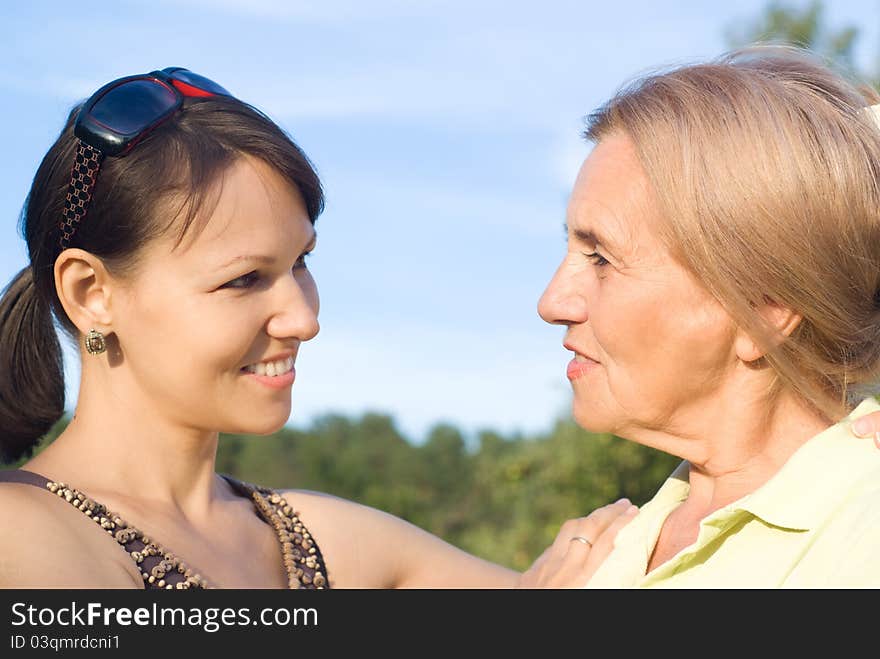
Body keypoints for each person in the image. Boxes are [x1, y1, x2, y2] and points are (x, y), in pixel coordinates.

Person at [0, 66, 633, 589]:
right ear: (92, 294)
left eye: (300, 263)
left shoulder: (323, 540)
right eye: (244, 278)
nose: (304, 319)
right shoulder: (22, 537)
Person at [537, 45, 880, 587]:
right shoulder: (614, 543)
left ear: (765, 311)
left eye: (601, 258)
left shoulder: (863, 537)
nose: (552, 303)